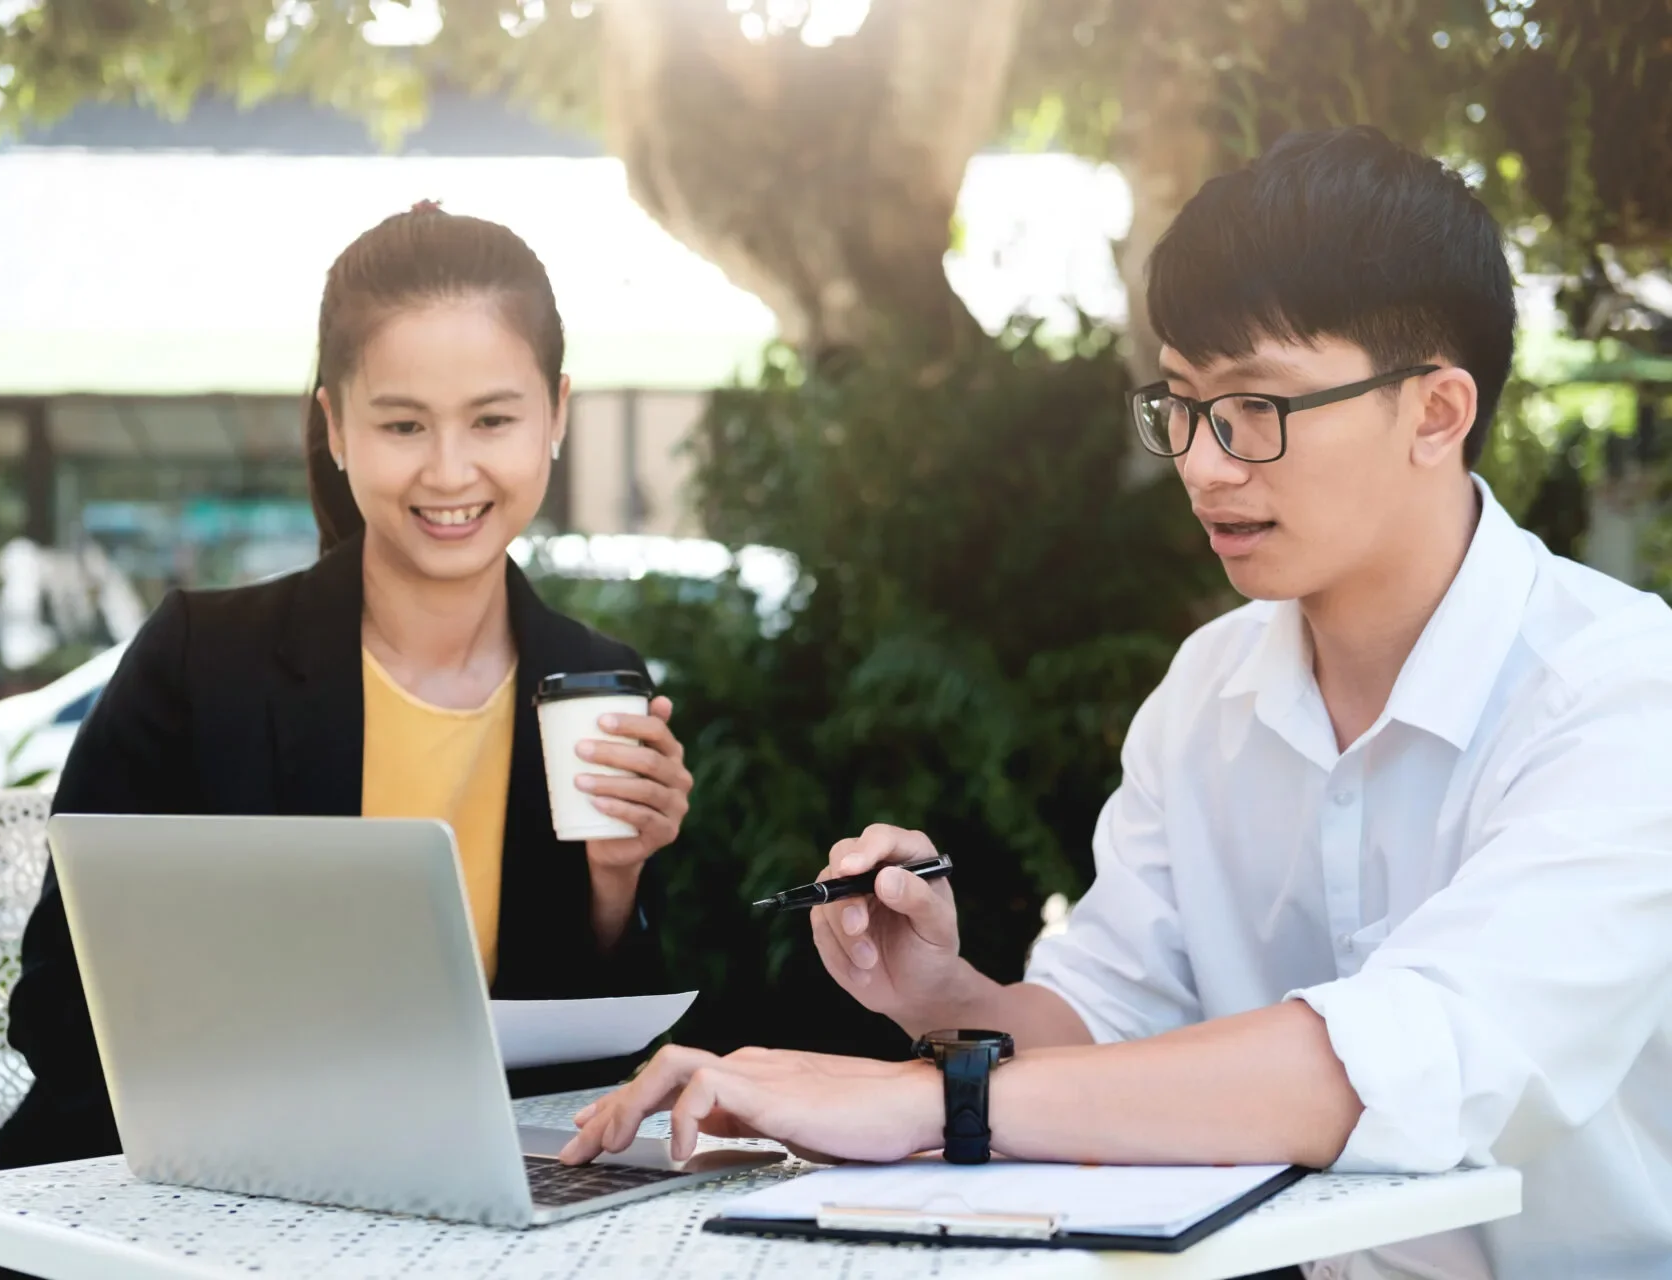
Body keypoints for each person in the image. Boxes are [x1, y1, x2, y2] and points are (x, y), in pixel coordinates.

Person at [562, 127, 1672, 1279]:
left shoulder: (1620, 697)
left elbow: (1405, 1060)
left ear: (1437, 412)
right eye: (1182, 402)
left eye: (1257, 408)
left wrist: (935, 1101)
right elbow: (1109, 1027)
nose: (1202, 462)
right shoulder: (1211, 688)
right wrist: (949, 998)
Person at [0, 202, 694, 1177]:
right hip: (178, 1199)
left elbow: (595, 1083)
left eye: (493, 417)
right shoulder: (200, 662)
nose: (451, 470)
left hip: (463, 1201)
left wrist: (615, 883)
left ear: (557, 415)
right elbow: (58, 1006)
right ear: (336, 425)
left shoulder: (592, 687)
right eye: (403, 422)